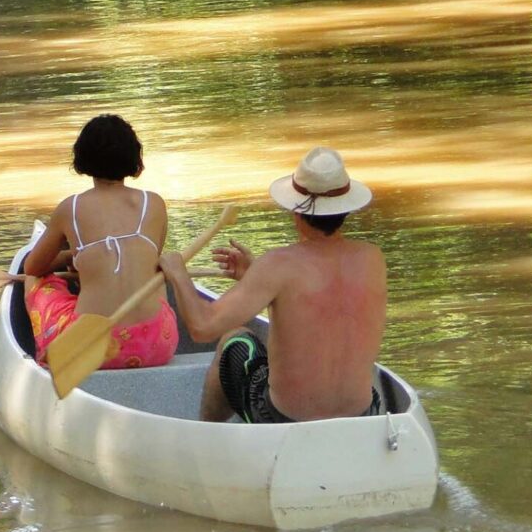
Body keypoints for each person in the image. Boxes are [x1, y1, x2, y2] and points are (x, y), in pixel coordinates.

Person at [159, 147, 386, 423]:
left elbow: (202, 327)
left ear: (296, 212)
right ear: (345, 210)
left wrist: (178, 274)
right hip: (363, 415)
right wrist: (256, 278)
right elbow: (317, 308)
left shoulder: (279, 265)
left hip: (283, 419)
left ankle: (207, 433)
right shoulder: (372, 259)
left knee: (235, 339)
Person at [22, 114, 177, 370]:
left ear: (82, 159)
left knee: (37, 281)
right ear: (134, 158)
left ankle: (47, 346)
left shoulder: (70, 208)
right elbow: (141, 260)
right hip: (158, 344)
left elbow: (32, 268)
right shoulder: (155, 204)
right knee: (154, 270)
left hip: (93, 349)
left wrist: (67, 257)